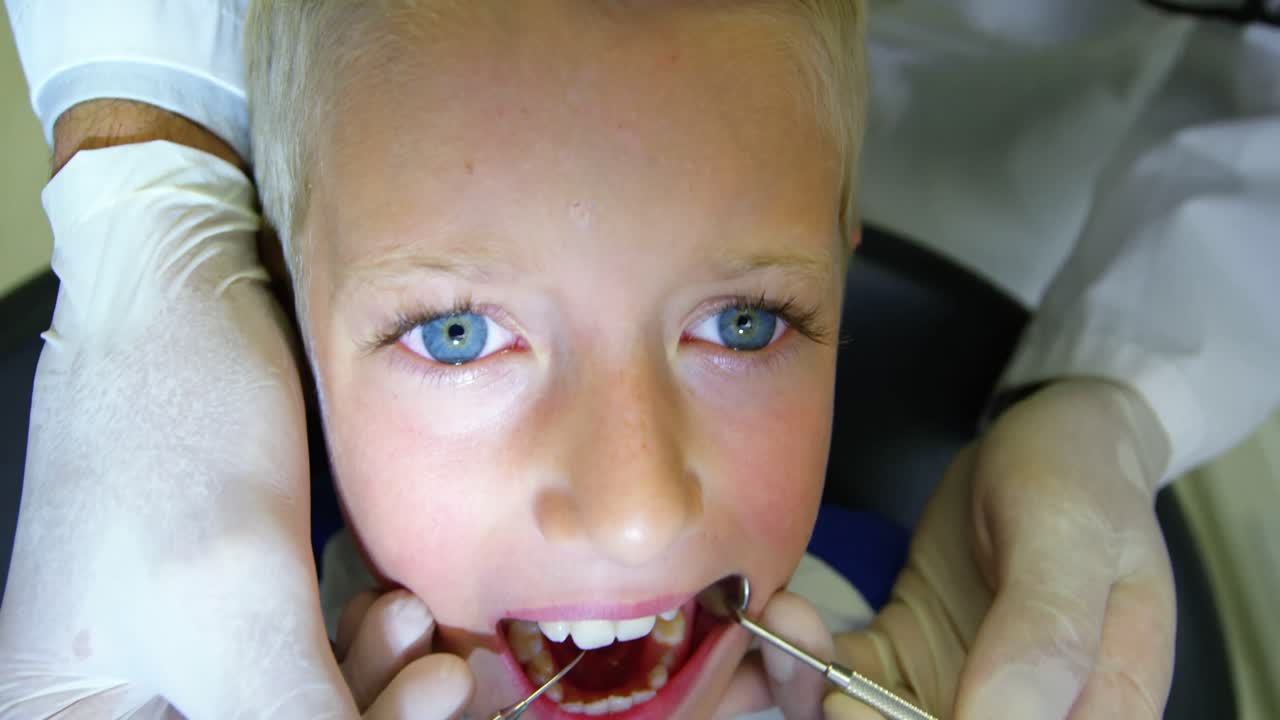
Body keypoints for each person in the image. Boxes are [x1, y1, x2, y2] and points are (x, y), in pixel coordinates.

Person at [0, 0, 1276, 718]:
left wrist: (1109, 395)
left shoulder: (936, 605)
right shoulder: (137, 638)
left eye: (741, 324)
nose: (632, 516)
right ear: (283, 284)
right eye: (458, 336)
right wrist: (136, 185)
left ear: (842, 259)